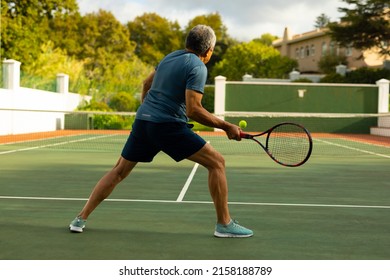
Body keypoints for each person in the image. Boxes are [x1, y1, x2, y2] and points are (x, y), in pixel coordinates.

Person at [69, 25, 253, 238]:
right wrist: (227, 126)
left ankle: (80, 218)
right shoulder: (198, 67)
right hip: (167, 126)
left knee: (118, 170)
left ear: (188, 43)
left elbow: (147, 83)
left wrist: (148, 109)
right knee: (217, 163)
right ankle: (224, 224)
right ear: (209, 50)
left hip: (143, 121)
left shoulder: (169, 57)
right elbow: (193, 109)